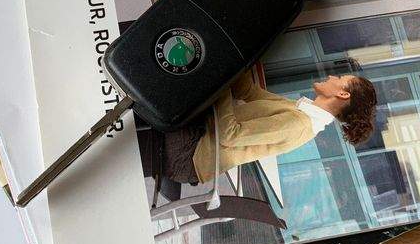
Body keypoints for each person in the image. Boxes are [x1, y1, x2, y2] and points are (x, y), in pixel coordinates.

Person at [142, 70, 378, 187]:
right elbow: (249, 93)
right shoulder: (301, 111)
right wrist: (236, 60)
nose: (332, 76)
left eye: (340, 78)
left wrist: (221, 84)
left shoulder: (299, 125)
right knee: (170, 89)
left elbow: (230, 135)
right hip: (198, 135)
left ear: (343, 94)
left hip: (191, 154)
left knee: (162, 95)